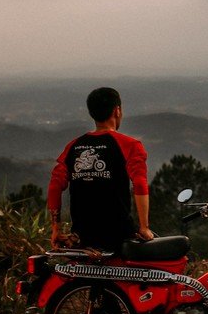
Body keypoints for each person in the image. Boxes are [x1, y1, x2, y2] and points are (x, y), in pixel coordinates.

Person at [47, 87, 154, 250]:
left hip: (83, 238)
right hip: (119, 236)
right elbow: (139, 184)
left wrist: (56, 229)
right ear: (117, 111)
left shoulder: (73, 147)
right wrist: (144, 227)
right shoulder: (130, 145)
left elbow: (54, 186)